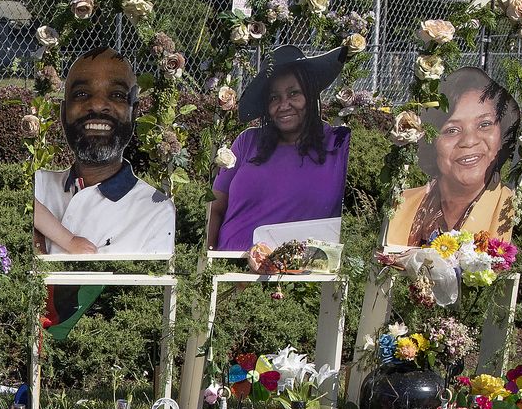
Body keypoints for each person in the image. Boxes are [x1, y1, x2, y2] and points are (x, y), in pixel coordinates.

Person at [208, 46, 350, 252]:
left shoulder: (336, 145)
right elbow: (215, 207)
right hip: (229, 267)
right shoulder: (247, 142)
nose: (284, 105)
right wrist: (210, 261)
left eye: (294, 93)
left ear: (310, 95)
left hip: (296, 275)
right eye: (274, 97)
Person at [34, 49, 174, 256]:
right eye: (81, 94)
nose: (98, 105)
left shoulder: (156, 211)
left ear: (134, 114)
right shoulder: (36, 185)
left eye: (117, 95)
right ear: (63, 113)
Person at [385, 66, 520, 247]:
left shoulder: (509, 207)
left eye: (484, 124)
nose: (469, 141)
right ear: (431, 142)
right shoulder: (402, 205)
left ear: (502, 134)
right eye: (452, 130)